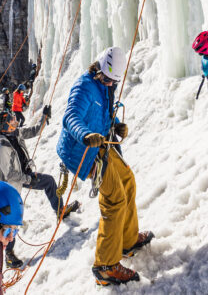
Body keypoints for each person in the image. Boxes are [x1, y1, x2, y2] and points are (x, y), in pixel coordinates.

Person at [56, 46, 152, 286]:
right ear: (98, 68)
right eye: (108, 79)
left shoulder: (105, 86)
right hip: (82, 151)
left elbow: (103, 114)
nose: (110, 84)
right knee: (114, 200)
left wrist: (116, 125)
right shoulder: (84, 86)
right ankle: (105, 266)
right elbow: (71, 117)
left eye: (113, 81)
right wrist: (86, 135)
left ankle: (128, 241)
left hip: (98, 145)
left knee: (127, 180)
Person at [0, 109, 81, 268]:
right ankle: (8, 255)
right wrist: (28, 178)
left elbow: (34, 131)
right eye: (11, 120)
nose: (15, 121)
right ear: (5, 125)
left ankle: (60, 210)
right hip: (11, 187)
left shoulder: (16, 133)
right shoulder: (1, 147)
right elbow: (10, 174)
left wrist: (44, 117)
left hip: (24, 176)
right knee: (12, 220)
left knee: (48, 181)